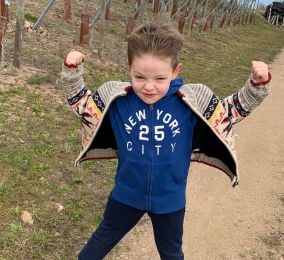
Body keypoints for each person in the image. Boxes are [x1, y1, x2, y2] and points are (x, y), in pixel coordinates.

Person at [61, 22, 271, 260]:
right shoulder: (118, 101)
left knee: (171, 254)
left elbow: (229, 112)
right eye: (139, 77)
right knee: (92, 251)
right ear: (129, 68)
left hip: (170, 202)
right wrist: (71, 71)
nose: (149, 86)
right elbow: (84, 106)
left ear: (175, 71)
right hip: (125, 196)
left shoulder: (190, 103)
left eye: (160, 78)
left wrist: (256, 87)